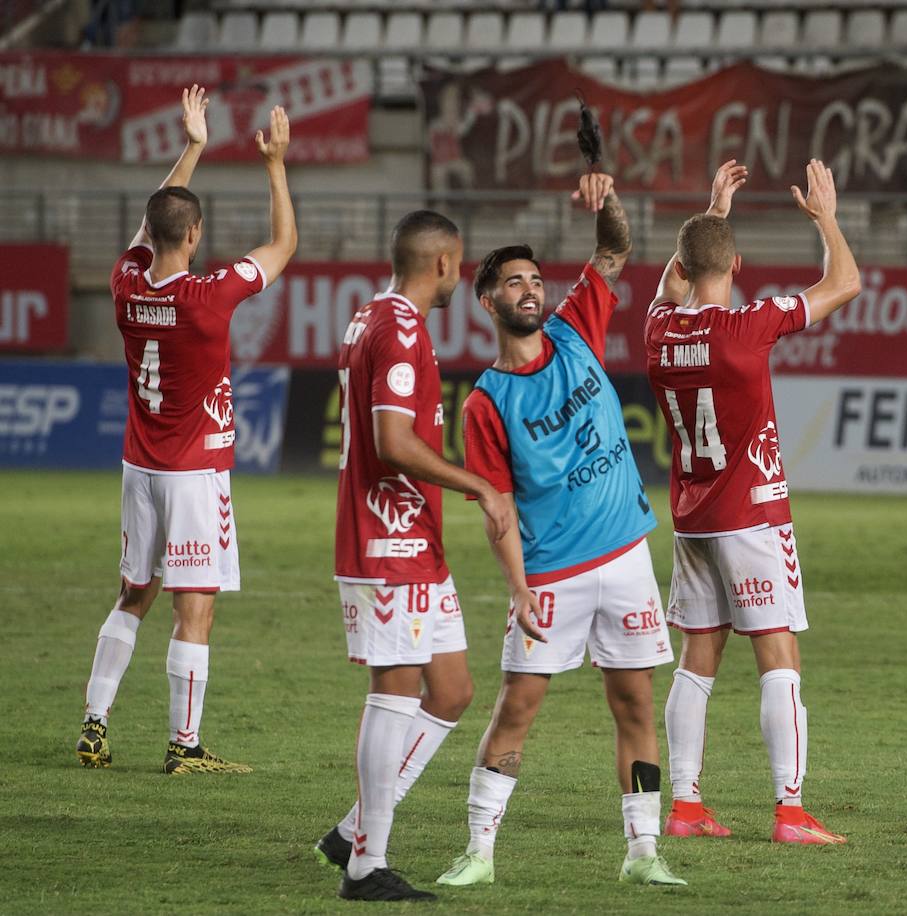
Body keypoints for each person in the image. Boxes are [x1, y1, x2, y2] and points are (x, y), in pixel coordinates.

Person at [436, 172, 685, 889]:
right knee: (518, 707)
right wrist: (517, 586)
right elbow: (498, 506)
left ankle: (643, 853)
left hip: (627, 558)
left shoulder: (576, 329)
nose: (530, 290)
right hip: (550, 575)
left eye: (535, 279)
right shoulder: (486, 404)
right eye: (513, 282)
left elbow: (616, 245)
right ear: (488, 301)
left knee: (634, 701)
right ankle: (479, 852)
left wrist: (604, 196)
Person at [76, 87, 296, 775]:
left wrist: (193, 147)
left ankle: (94, 723)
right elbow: (284, 244)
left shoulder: (125, 282)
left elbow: (152, 221)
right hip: (194, 472)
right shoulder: (210, 297)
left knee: (134, 593)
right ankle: (185, 745)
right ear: (195, 236)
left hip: (139, 466)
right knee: (194, 608)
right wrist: (275, 164)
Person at [646, 160, 859, 845]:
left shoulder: (657, 334)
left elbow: (670, 284)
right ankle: (790, 811)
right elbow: (845, 283)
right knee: (778, 657)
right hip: (752, 517)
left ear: (681, 263)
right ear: (736, 263)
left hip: (692, 517)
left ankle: (684, 806)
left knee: (697, 656)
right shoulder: (748, 327)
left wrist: (710, 213)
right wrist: (824, 215)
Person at [316, 210, 512, 902]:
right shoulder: (398, 330)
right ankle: (367, 866)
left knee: (453, 689)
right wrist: (478, 485)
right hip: (386, 539)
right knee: (394, 691)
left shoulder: (373, 317)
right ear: (443, 263)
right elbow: (394, 441)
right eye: (458, 264)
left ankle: (349, 832)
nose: (458, 275)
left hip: (413, 544)